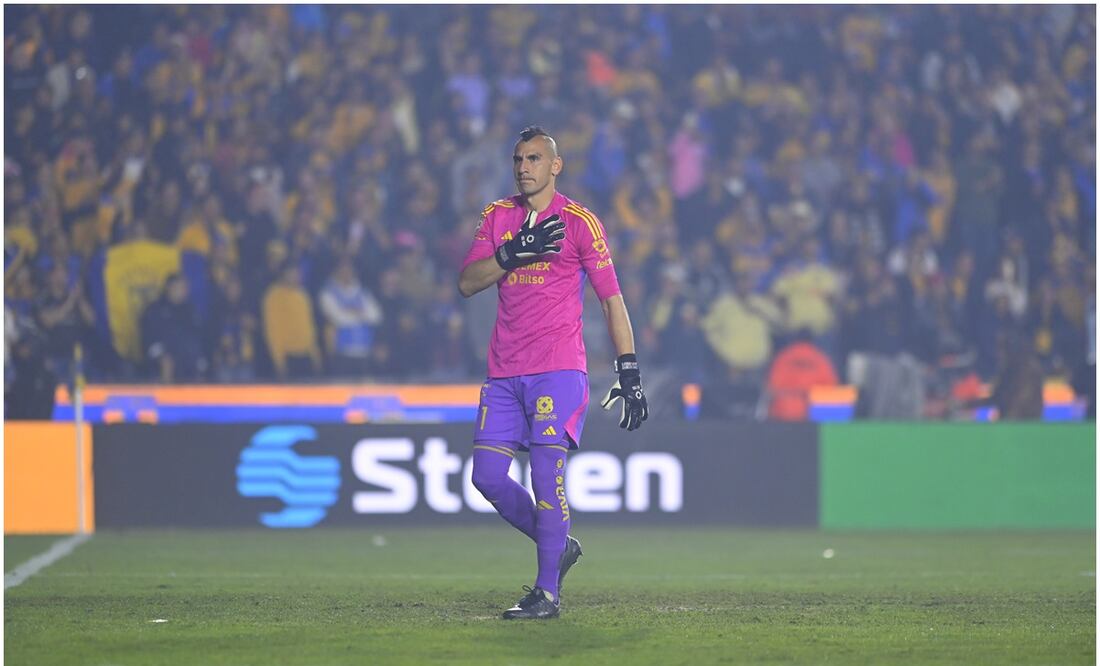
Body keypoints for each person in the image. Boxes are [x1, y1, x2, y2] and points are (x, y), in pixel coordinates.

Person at [457, 126, 648, 620]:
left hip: (558, 371)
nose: (524, 167)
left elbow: (611, 299)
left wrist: (628, 369)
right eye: (519, 159)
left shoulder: (581, 222)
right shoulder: (497, 217)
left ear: (555, 166)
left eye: (535, 159)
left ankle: (547, 593)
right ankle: (559, 546)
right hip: (503, 372)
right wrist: (512, 252)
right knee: (487, 478)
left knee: (547, 478)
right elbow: (467, 281)